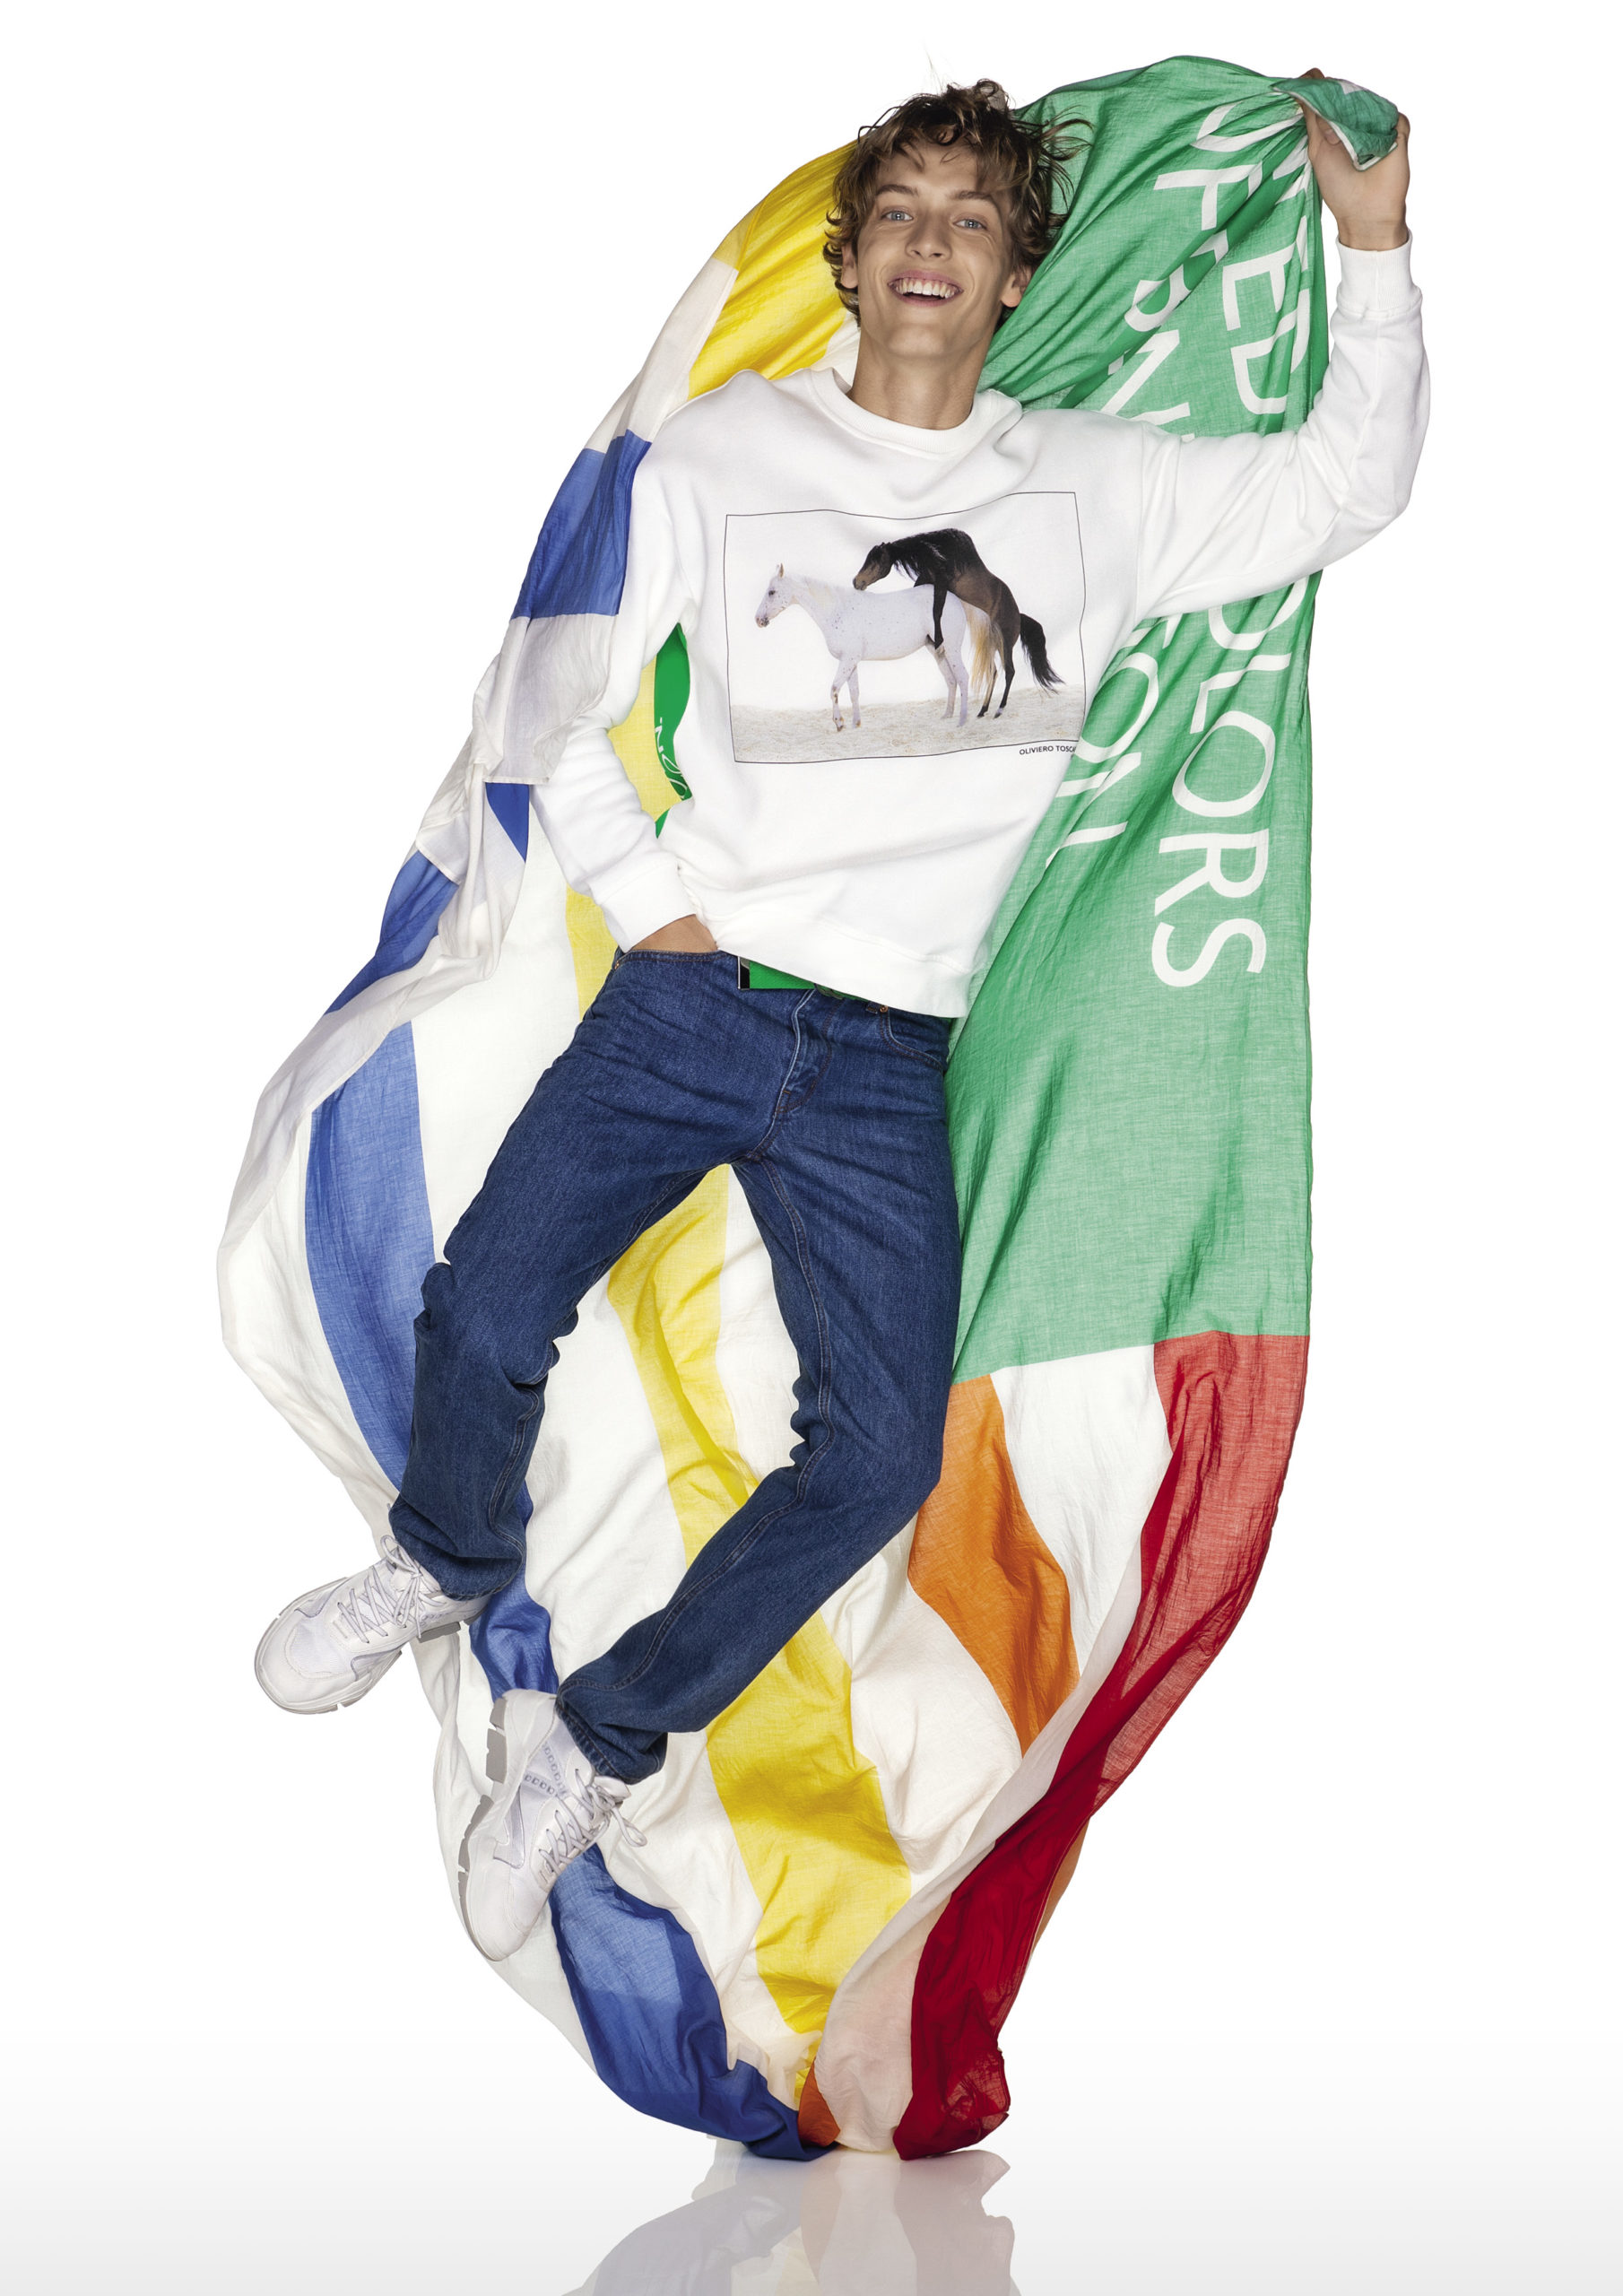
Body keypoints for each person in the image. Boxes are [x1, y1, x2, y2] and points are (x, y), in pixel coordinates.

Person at [255, 78, 1425, 1962]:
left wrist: (1368, 245)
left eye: (970, 218)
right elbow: (559, 706)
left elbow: (1340, 488)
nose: (930, 244)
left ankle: (598, 1737)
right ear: (854, 256)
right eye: (900, 212)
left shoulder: (1098, 485)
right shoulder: (724, 456)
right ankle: (440, 1557)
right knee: (484, 1305)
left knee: (875, 1458)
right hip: (691, 1004)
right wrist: (660, 916)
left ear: (1013, 271)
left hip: (888, 1062)